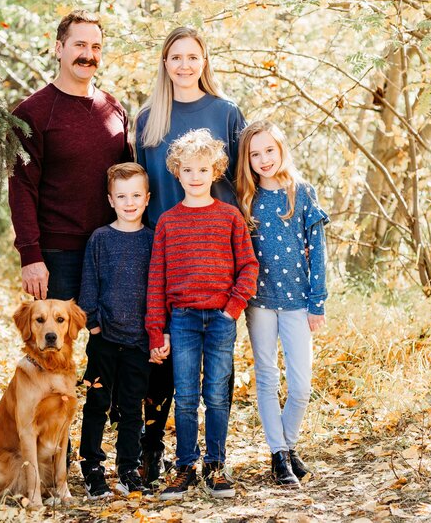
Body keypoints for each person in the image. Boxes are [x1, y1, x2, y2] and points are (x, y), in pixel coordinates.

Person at [134, 26, 246, 486]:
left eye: (193, 56)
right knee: (161, 362)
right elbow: (136, 183)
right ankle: (154, 451)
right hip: (163, 244)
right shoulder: (147, 118)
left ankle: (215, 458)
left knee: (216, 370)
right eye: (175, 56)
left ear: (205, 61)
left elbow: (243, 180)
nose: (184, 64)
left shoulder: (226, 112)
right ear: (164, 62)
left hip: (216, 253)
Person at [145, 130, 259, 500]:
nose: (196, 176)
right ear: (177, 173)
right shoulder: (167, 222)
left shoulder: (229, 217)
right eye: (188, 169)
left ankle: (215, 465)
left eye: (203, 169)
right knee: (187, 396)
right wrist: (156, 330)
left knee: (216, 395)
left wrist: (232, 309)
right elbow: (157, 280)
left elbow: (248, 267)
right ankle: (184, 467)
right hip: (183, 321)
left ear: (216, 171)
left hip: (221, 319)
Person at [8, 9, 132, 303]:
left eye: (96, 47)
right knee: (52, 348)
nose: (88, 55)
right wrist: (30, 255)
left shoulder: (114, 110)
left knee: (112, 346)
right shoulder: (31, 114)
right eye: (79, 45)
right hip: (57, 256)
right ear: (59, 48)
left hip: (111, 248)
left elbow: (129, 179)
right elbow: (21, 188)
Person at [235, 120, 329, 487]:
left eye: (268, 151)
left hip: (298, 301)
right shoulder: (244, 197)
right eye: (255, 154)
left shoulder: (301, 193)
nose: (263, 159)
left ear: (281, 149)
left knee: (301, 383)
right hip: (259, 301)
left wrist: (317, 301)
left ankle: (288, 447)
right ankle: (278, 454)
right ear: (247, 159)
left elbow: (318, 251)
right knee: (267, 377)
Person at [77, 163, 154, 498]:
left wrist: (155, 331)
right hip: (104, 339)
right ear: (110, 200)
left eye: (136, 195)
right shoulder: (101, 239)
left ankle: (128, 469)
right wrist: (93, 325)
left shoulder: (152, 239)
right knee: (97, 404)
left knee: (132, 408)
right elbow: (89, 286)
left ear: (148, 198)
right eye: (122, 196)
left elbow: (157, 288)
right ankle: (92, 468)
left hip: (139, 341)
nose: (129, 201)